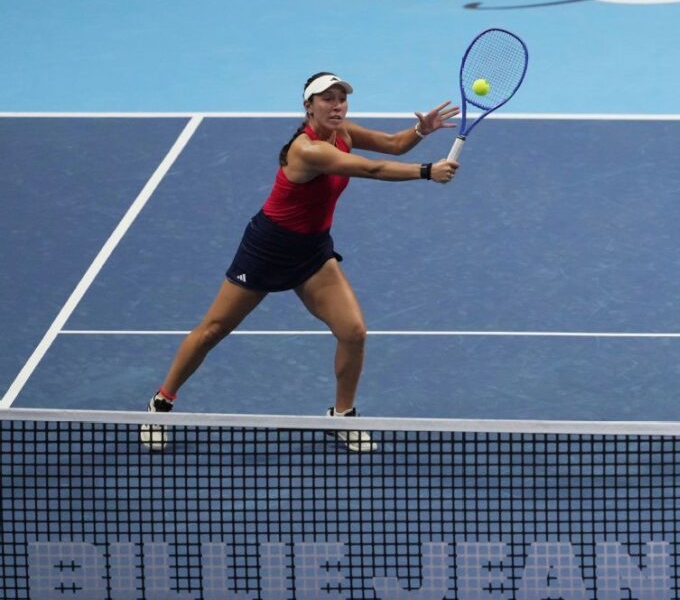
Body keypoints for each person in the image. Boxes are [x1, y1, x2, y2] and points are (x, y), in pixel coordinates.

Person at [140, 72, 460, 452]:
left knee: (353, 332)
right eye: (327, 99)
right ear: (308, 106)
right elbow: (371, 169)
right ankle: (160, 405)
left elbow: (392, 144)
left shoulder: (343, 133)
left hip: (312, 251)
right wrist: (427, 172)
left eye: (341, 98)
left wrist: (421, 131)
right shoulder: (307, 150)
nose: (337, 105)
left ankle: (342, 416)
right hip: (268, 249)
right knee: (213, 330)